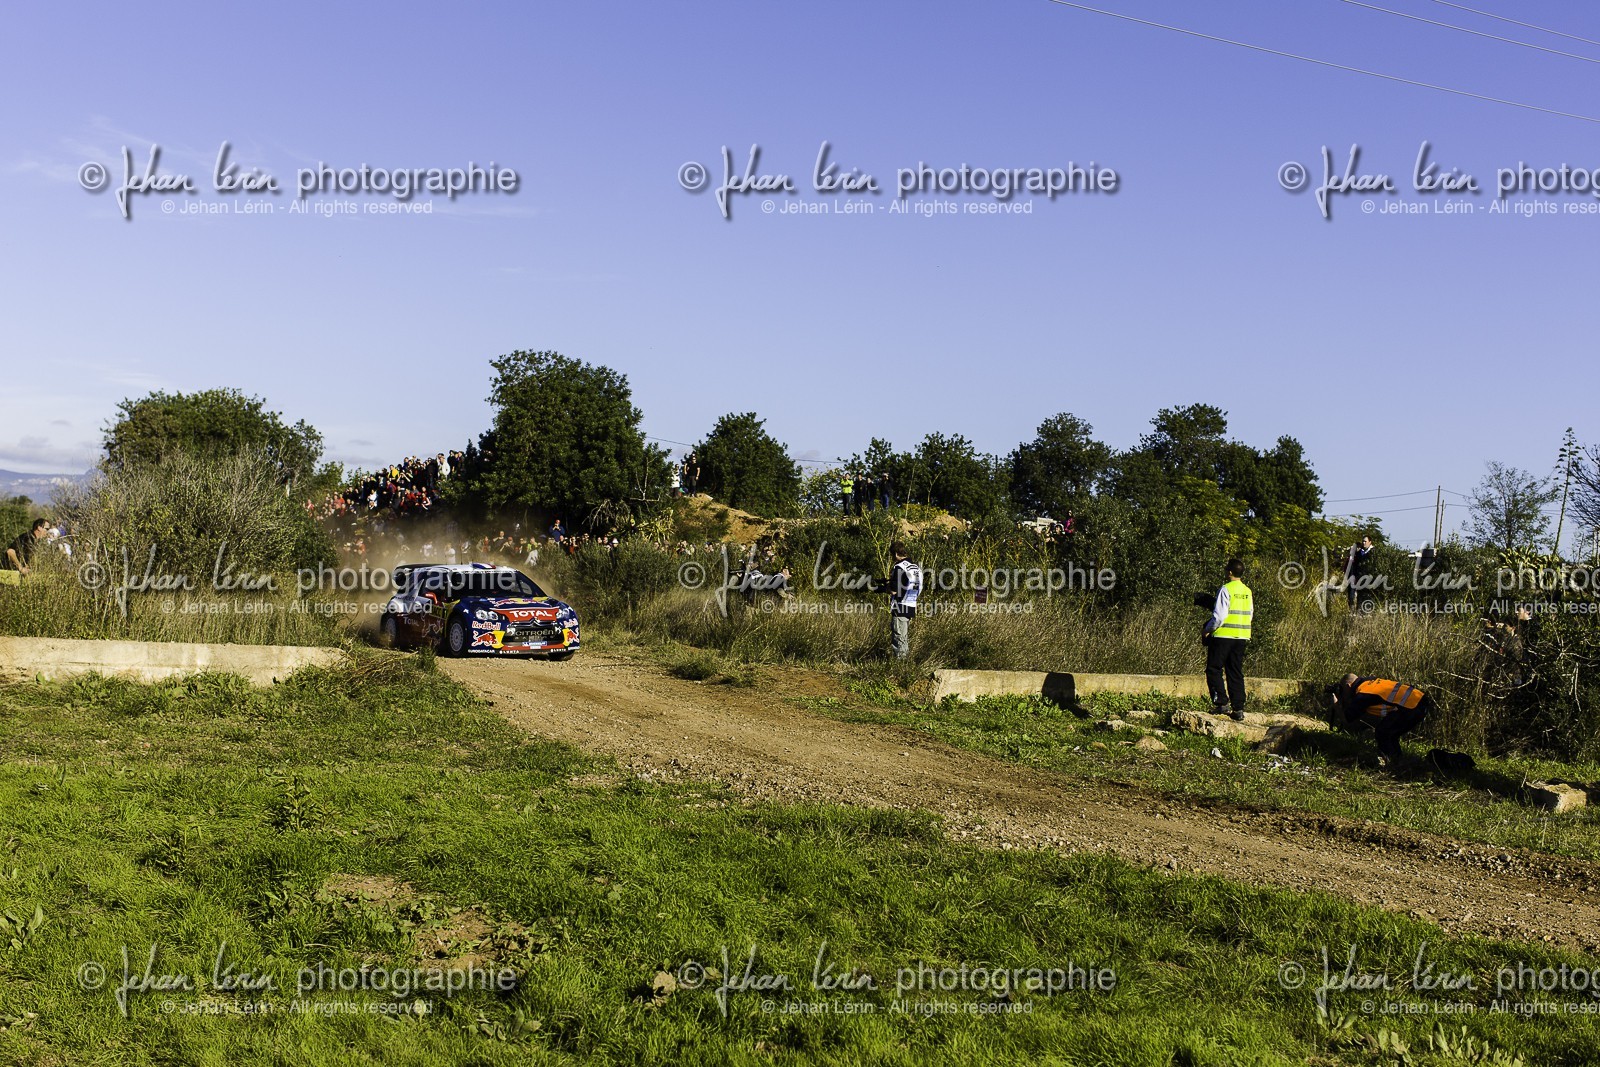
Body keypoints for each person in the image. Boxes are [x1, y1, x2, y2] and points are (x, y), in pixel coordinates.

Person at [1327, 674, 1435, 767]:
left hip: (1412, 706)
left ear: (1348, 686)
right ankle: (1398, 760)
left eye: (1343, 690)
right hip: (1419, 700)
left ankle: (1393, 764)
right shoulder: (1370, 681)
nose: (1343, 693)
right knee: (1390, 732)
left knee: (1383, 732)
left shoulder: (1362, 695)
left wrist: (1336, 705)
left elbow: (1347, 719)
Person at [1202, 558, 1252, 721]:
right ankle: (1238, 708)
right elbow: (1250, 614)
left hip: (1223, 636)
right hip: (1241, 636)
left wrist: (1207, 630)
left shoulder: (1226, 589)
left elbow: (1219, 616)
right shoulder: (1247, 591)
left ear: (1229, 572)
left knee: (1214, 668)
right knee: (1235, 671)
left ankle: (1221, 703)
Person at [886, 541, 921, 660]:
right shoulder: (915, 567)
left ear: (896, 554)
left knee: (899, 637)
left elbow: (894, 590)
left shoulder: (899, 567)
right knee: (904, 636)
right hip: (911, 605)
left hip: (900, 605)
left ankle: (901, 666)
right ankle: (904, 664)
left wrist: (885, 588)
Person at [1345, 536, 1373, 609]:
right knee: (1354, 596)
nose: (1363, 543)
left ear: (1370, 542)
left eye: (1365, 541)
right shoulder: (1359, 554)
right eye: (1363, 541)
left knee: (1366, 596)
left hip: (1367, 577)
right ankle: (1356, 611)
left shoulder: (1373, 552)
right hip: (1357, 577)